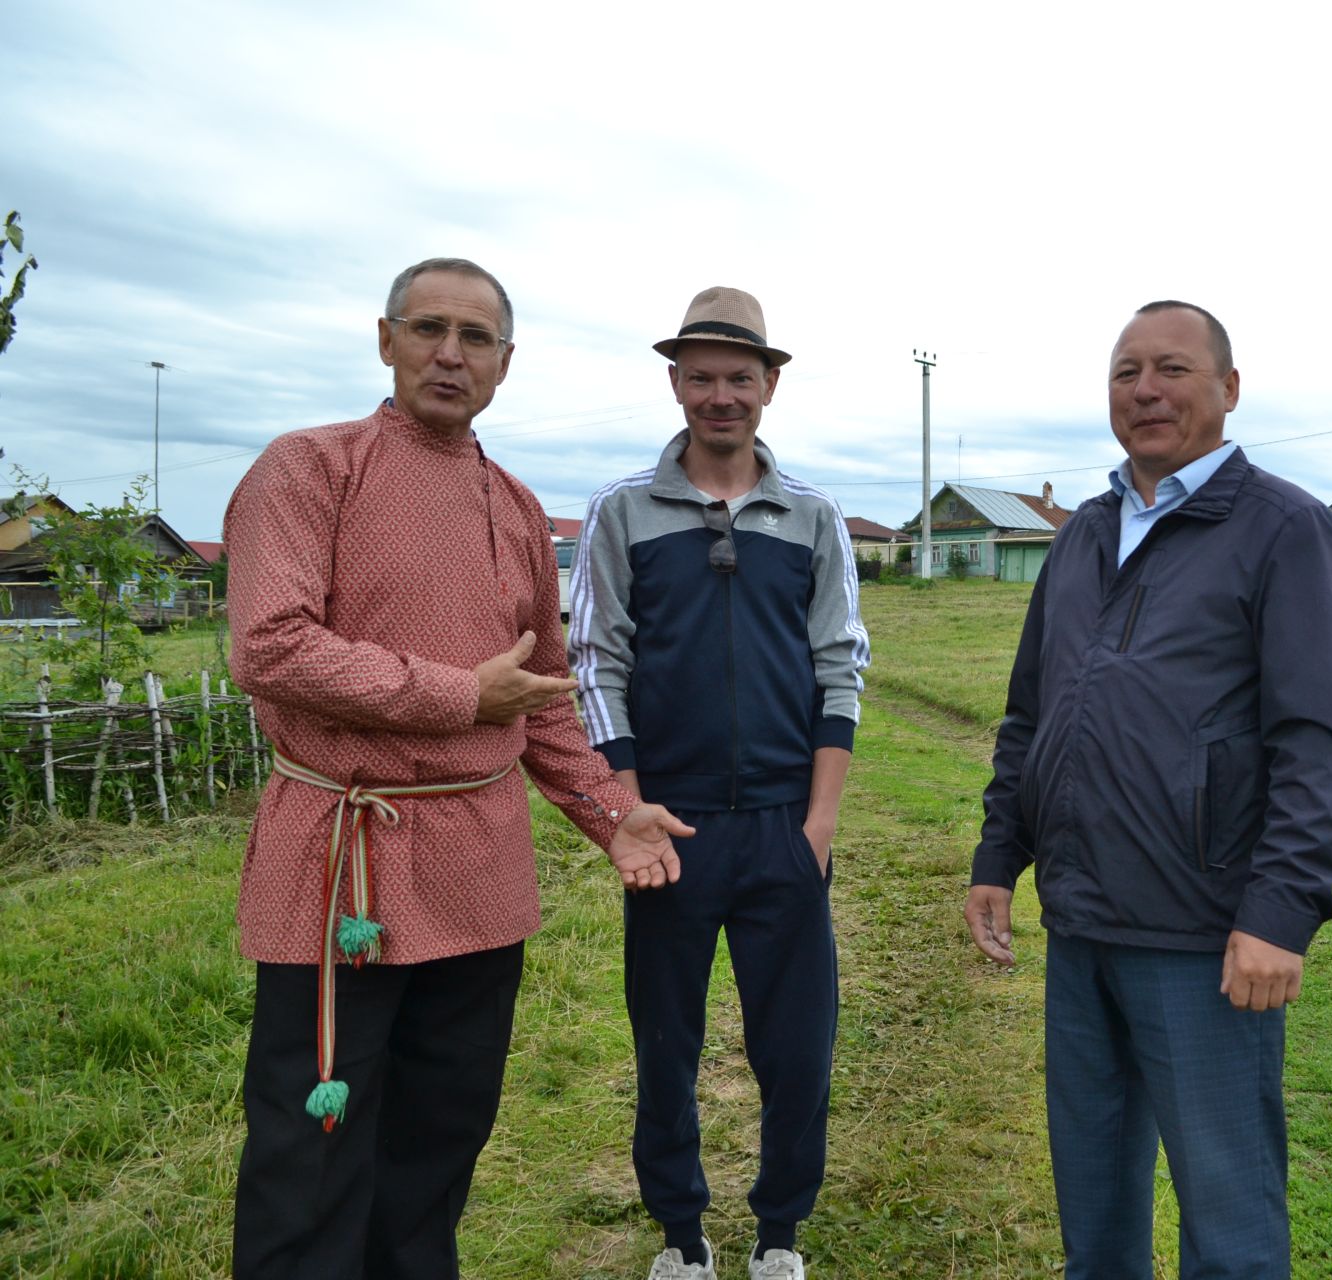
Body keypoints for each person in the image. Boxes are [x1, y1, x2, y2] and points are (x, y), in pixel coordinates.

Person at [223, 257, 694, 1279]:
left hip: (479, 876)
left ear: (505, 363)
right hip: (341, 871)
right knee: (311, 1148)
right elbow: (269, 643)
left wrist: (611, 812)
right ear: (385, 338)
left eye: (475, 337)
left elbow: (541, 692)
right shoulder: (309, 468)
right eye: (428, 327)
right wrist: (454, 695)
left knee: (439, 1143)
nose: (450, 352)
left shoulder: (519, 509)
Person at [965, 301, 1332, 1279]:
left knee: (1227, 1213)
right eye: (1126, 371)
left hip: (1204, 936)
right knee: (1095, 1202)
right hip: (1083, 923)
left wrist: (1281, 909)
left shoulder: (1284, 530)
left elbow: (1318, 741)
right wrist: (996, 855)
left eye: (1174, 368)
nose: (1146, 388)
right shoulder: (1082, 536)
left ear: (1228, 390)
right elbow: (1031, 713)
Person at [570, 286, 870, 1280]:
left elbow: (841, 664)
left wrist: (818, 826)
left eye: (739, 375)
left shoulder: (814, 517)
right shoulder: (623, 511)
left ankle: (779, 1231)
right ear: (675, 383)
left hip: (785, 824)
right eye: (700, 375)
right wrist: (630, 806)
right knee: (667, 1041)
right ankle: (682, 1234)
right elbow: (595, 662)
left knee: (797, 1050)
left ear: (770, 384)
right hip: (672, 826)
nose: (720, 394)